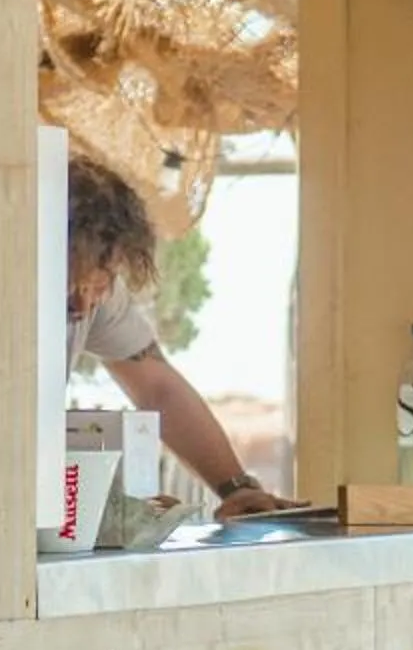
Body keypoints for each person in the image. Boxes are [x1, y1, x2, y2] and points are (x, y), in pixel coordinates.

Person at [65, 154, 291, 519]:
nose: (82, 302)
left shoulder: (102, 297)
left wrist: (238, 489)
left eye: (100, 283)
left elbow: (159, 388)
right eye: (69, 282)